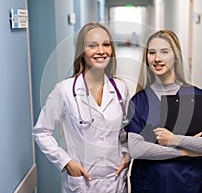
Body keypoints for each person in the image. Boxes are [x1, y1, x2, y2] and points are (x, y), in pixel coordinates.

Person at [125, 29, 202, 193]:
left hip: (186, 184)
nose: (157, 58)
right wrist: (185, 151)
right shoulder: (139, 101)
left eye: (164, 52)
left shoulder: (197, 97)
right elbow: (137, 149)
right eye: (152, 52)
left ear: (176, 57)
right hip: (148, 185)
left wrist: (174, 139)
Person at [33, 22, 130, 193]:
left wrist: (126, 154)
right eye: (92, 45)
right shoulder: (64, 90)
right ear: (81, 52)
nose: (101, 51)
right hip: (82, 183)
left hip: (115, 180)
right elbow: (41, 131)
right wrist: (66, 162)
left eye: (106, 44)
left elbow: (124, 130)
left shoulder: (120, 88)